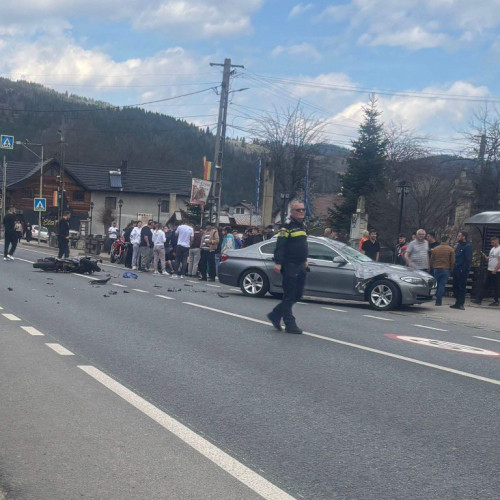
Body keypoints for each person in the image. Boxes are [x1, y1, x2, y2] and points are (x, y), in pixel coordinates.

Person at [267, 201, 308, 335]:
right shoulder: (286, 226)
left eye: (303, 210)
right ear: (292, 212)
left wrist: (305, 260)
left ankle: (275, 314)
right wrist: (278, 262)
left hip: (300, 264)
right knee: (289, 295)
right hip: (289, 264)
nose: (301, 212)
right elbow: (281, 245)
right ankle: (290, 323)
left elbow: (303, 245)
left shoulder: (303, 226)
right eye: (298, 210)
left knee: (298, 294)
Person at [473, 236, 500, 306]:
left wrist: (496, 270)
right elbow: (491, 258)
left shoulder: (499, 249)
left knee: (495, 286)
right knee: (485, 285)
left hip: (496, 271)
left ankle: (496, 300)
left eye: (493, 242)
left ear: (497, 241)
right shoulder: (492, 249)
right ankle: (479, 299)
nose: (491, 244)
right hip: (489, 269)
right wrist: (486, 257)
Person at [430, 235, 455, 306]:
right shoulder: (451, 249)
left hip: (436, 268)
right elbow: (452, 261)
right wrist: (451, 268)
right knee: (442, 285)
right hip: (445, 269)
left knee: (436, 284)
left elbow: (432, 259)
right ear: (447, 241)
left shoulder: (435, 249)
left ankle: (434, 297)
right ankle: (438, 301)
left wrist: (433, 266)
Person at [450, 231, 472, 310]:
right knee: (455, 285)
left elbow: (468, 259)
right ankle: (457, 302)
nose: (458, 237)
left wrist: (464, 269)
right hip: (456, 267)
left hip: (462, 269)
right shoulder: (459, 245)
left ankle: (461, 303)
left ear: (464, 237)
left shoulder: (467, 246)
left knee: (461, 286)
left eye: (459, 236)